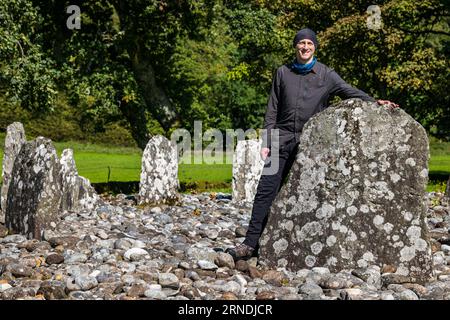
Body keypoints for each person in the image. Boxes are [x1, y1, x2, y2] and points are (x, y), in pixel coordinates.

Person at [226, 28, 398, 261]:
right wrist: (267, 140)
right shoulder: (282, 73)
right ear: (295, 46)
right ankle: (250, 243)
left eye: (309, 43)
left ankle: (307, 246)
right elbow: (272, 110)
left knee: (311, 192)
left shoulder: (326, 75)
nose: (305, 47)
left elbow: (350, 92)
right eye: (301, 43)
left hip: (311, 142)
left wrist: (374, 102)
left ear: (315, 47)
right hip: (281, 138)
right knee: (265, 190)